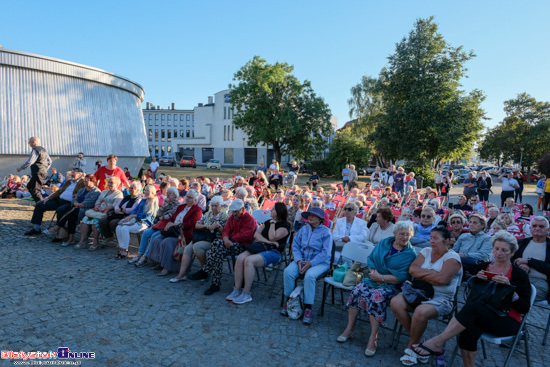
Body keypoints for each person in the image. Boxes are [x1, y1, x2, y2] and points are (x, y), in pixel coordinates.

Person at [412, 231, 531, 367]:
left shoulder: (519, 275)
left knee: (472, 310)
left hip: (507, 320)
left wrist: (511, 291)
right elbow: (471, 297)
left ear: (512, 252)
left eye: (504, 250)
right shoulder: (481, 268)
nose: (499, 253)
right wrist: (476, 281)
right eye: (496, 249)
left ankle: (438, 342)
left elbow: (525, 307)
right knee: (468, 328)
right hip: (481, 315)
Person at [338, 221, 417, 356]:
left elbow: (403, 276)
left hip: (392, 285)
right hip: (373, 277)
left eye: (408, 235)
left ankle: (373, 336)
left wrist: (381, 278)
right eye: (401, 234)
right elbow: (371, 258)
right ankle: (350, 328)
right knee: (358, 290)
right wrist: (373, 272)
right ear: (395, 234)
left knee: (377, 297)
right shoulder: (385, 243)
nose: (404, 237)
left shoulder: (410, 254)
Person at [391, 226, 462, 366]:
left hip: (441, 299)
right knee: (395, 302)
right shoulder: (426, 251)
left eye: (435, 238)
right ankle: (419, 340)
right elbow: (412, 270)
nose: (431, 241)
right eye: (430, 238)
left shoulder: (453, 258)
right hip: (419, 293)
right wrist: (434, 274)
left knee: (420, 311)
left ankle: (412, 348)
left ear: (447, 240)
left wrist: (423, 273)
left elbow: (443, 280)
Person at [188, 199, 257, 295]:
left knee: (217, 245)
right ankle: (214, 283)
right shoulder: (232, 217)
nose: (234, 213)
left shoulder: (250, 219)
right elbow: (226, 230)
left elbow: (245, 235)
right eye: (233, 211)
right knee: (218, 249)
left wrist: (228, 239)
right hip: (227, 243)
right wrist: (225, 239)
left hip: (242, 245)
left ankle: (208, 274)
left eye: (236, 211)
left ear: (242, 209)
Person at [227, 202, 290, 304]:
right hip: (261, 247)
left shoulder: (285, 225)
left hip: (274, 252)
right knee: (240, 258)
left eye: (273, 209)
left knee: (249, 260)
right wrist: (268, 242)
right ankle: (237, 289)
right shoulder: (268, 222)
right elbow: (256, 235)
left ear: (279, 212)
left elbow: (272, 237)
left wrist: (273, 224)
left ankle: (246, 293)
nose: (270, 210)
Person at [282, 207, 332, 325]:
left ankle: (308, 307)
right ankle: (290, 301)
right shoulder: (303, 229)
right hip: (302, 260)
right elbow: (295, 246)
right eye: (309, 214)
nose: (310, 216)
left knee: (309, 276)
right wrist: (299, 260)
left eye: (313, 215)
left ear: (320, 219)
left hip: (320, 263)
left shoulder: (326, 232)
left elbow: (325, 253)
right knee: (288, 272)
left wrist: (311, 263)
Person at [170, 196, 229, 282]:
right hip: (203, 236)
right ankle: (181, 275)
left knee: (197, 247)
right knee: (187, 249)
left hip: (214, 239)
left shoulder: (224, 216)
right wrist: (207, 226)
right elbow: (196, 225)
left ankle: (205, 270)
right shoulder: (208, 214)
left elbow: (224, 231)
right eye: (212, 205)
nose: (214, 208)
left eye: (216, 206)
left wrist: (218, 226)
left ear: (221, 206)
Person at [148, 190, 202, 275]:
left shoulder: (197, 210)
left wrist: (177, 225)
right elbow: (172, 218)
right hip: (173, 231)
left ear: (195, 200)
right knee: (157, 239)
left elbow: (192, 224)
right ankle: (159, 262)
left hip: (184, 234)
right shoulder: (181, 207)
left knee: (167, 242)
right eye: (187, 196)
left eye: (190, 197)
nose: (187, 198)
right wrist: (169, 223)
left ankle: (167, 267)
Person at [25, 168, 85, 236]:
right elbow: (60, 191)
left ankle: (59, 231)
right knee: (39, 205)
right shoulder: (68, 182)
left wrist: (77, 195)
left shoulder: (82, 183)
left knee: (60, 210)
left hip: (70, 203)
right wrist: (49, 198)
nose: (72, 174)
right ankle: (36, 228)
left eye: (74, 173)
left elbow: (85, 192)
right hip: (59, 200)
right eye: (72, 172)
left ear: (80, 174)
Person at [130, 187, 181, 266]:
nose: (167, 195)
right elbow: (158, 214)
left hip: (168, 227)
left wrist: (163, 215)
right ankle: (140, 254)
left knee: (154, 236)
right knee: (146, 233)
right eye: (167, 193)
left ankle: (145, 257)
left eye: (169, 194)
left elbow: (168, 216)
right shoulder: (166, 202)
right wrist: (164, 205)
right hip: (160, 224)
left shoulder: (177, 205)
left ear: (175, 195)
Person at [45, 174, 101, 247]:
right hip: (75, 208)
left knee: (71, 212)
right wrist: (75, 203)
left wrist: (77, 205)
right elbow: (75, 198)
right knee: (69, 215)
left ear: (93, 181)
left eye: (87, 180)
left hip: (85, 210)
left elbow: (88, 203)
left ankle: (58, 227)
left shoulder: (96, 192)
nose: (85, 182)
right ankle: (70, 238)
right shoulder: (82, 190)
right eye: (85, 180)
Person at [74, 177, 123, 249]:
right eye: (109, 182)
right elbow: (98, 201)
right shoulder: (104, 192)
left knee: (95, 221)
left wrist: (103, 209)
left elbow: (115, 205)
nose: (109, 184)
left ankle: (95, 241)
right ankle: (82, 240)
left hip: (108, 213)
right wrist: (97, 206)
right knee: (86, 219)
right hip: (98, 211)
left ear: (117, 184)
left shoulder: (118, 194)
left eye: (112, 183)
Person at [114, 185, 159, 258]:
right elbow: (135, 210)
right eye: (145, 190)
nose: (146, 192)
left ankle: (125, 250)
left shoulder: (154, 202)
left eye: (148, 190)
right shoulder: (143, 200)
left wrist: (134, 216)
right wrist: (130, 216)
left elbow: (146, 216)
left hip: (144, 223)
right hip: (135, 220)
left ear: (153, 192)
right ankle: (121, 247)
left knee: (125, 228)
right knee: (118, 227)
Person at [513, 216, 550, 302]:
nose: (537, 228)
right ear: (530, 228)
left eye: (541, 226)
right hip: (517, 278)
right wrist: (519, 263)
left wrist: (529, 261)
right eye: (534, 226)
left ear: (548, 230)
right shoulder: (521, 243)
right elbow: (509, 260)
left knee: (519, 296)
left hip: (539, 282)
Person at [96, 181, 143, 246]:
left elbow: (133, 209)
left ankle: (120, 240)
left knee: (113, 223)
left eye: (132, 188)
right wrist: (117, 209)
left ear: (137, 190)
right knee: (102, 220)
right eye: (130, 188)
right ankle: (109, 236)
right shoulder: (127, 197)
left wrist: (122, 210)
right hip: (118, 214)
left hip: (127, 216)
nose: (130, 189)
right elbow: (117, 205)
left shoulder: (139, 199)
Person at [16, 136, 52, 202]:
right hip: (42, 172)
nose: (29, 144)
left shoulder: (35, 150)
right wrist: (45, 169)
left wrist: (20, 168)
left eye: (29, 142)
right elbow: (50, 161)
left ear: (33, 142)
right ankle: (38, 202)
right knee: (30, 186)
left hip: (38, 172)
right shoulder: (43, 150)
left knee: (36, 190)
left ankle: (41, 206)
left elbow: (30, 162)